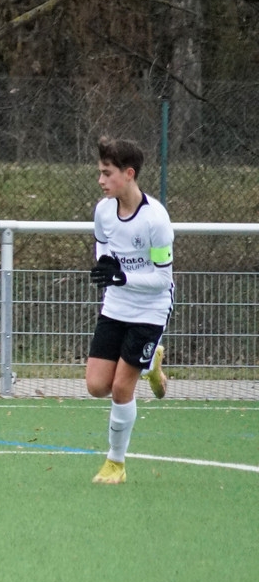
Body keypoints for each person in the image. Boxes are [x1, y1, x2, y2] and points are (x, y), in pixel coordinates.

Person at [86, 136, 172, 484]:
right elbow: (103, 249)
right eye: (100, 173)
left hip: (150, 310)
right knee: (96, 386)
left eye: (107, 173)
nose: (101, 180)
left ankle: (115, 463)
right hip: (116, 306)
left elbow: (162, 280)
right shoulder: (103, 211)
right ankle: (151, 365)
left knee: (122, 389)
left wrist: (123, 277)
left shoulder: (155, 220)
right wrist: (106, 267)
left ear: (129, 174)